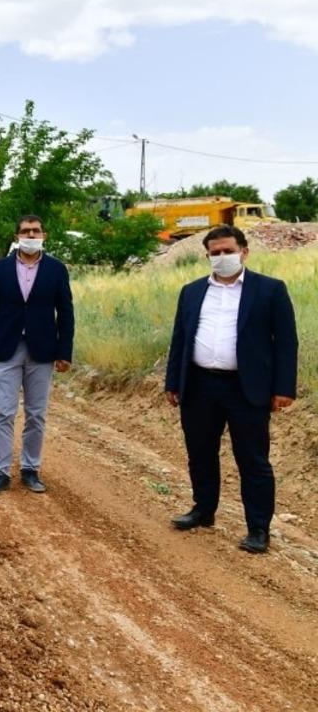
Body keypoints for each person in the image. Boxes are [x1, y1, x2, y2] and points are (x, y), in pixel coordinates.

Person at [165, 224, 297, 554]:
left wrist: (284, 388)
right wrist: (172, 382)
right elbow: (180, 339)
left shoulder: (270, 290)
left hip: (246, 388)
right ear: (207, 255)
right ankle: (203, 510)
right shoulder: (192, 291)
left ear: (244, 252)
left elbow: (286, 343)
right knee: (201, 452)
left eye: (228, 251)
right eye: (216, 253)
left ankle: (257, 529)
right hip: (199, 385)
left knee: (252, 460)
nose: (222, 258)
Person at [0, 215, 74, 496]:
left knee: (35, 415)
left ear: (44, 235)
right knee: (4, 412)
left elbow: (65, 313)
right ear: (17, 235)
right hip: (7, 349)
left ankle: (30, 469)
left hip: (42, 351)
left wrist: (64, 350)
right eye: (25, 231)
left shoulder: (56, 270)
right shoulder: (0, 269)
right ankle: (0, 472)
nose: (30, 235)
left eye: (35, 231)